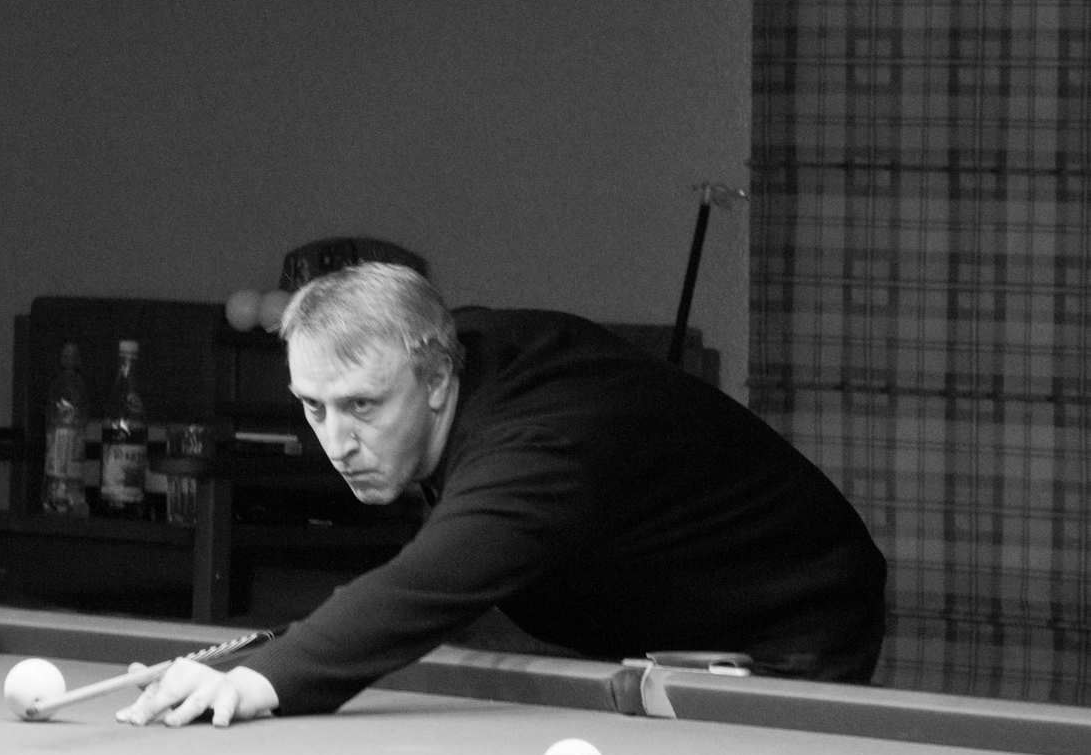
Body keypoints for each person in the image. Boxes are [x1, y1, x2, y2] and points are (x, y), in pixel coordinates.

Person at [117, 263, 887, 728]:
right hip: (653, 616)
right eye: (313, 407)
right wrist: (257, 655)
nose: (336, 442)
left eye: (361, 406)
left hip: (786, 621)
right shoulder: (444, 347)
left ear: (437, 378)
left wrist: (263, 678)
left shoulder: (536, 449)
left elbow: (431, 582)